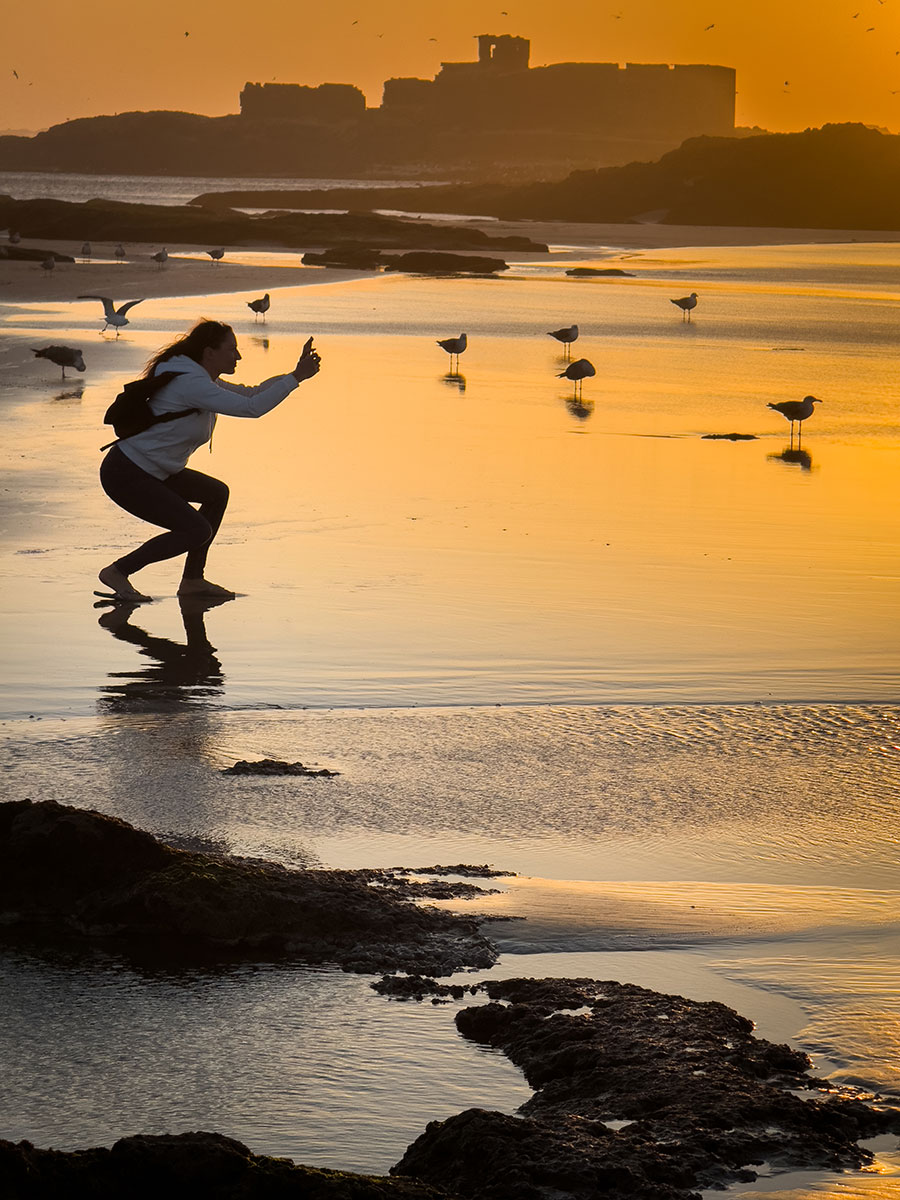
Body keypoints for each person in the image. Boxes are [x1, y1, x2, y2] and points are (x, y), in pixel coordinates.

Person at [98, 319, 320, 601]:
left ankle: (193, 580)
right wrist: (295, 379)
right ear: (209, 352)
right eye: (232, 349)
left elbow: (250, 393)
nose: (238, 356)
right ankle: (118, 571)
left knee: (216, 493)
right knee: (195, 529)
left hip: (156, 471)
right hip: (127, 473)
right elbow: (252, 409)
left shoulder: (200, 379)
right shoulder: (191, 384)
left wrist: (295, 375)